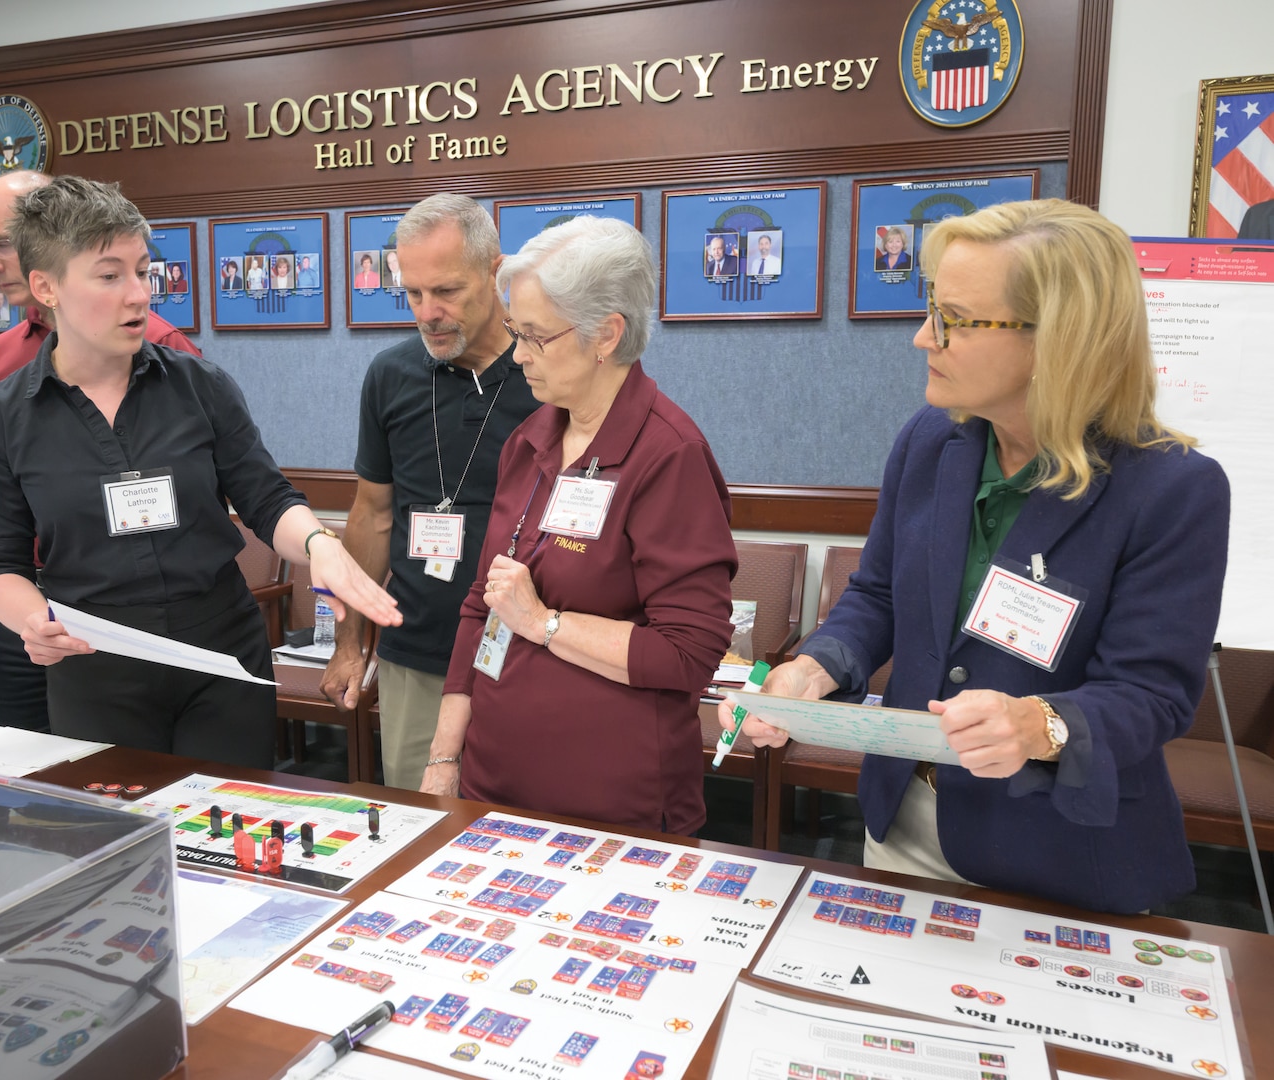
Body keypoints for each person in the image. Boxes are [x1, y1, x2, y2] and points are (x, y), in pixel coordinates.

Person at [724, 199, 1230, 914]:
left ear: (1059, 339)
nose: (923, 338)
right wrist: (814, 669)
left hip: (1059, 854)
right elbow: (878, 598)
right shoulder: (932, 442)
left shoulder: (1173, 489)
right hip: (901, 823)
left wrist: (1040, 725)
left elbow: (1151, 695)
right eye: (933, 310)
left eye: (956, 320)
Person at [0, 177, 400, 762]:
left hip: (219, 654)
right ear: (47, 286)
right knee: (123, 839)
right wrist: (31, 620)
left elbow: (266, 498)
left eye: (143, 271)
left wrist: (320, 544)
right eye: (110, 275)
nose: (139, 294)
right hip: (95, 661)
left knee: (231, 838)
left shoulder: (199, 385)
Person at [420, 215, 737, 835]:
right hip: (493, 781)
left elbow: (688, 654)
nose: (519, 355)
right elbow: (481, 610)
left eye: (536, 336)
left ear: (606, 334)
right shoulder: (531, 439)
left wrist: (545, 624)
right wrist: (443, 759)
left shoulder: (667, 455)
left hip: (613, 803)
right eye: (516, 331)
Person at [0, 170, 204, 732]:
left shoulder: (158, 348)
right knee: (39, 792)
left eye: (3, 244)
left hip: (116, 619)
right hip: (22, 610)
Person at [322, 193, 540, 790]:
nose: (427, 312)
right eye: (413, 293)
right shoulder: (391, 375)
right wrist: (349, 642)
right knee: (418, 825)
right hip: (415, 652)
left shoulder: (546, 374)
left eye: (446, 291)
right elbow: (372, 513)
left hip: (524, 653)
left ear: (495, 271)